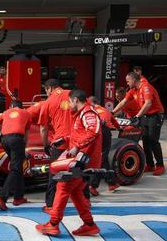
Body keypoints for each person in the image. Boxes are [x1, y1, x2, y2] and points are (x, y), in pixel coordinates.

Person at [36, 89, 101, 236]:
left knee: (63, 187)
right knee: (76, 191)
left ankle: (53, 224)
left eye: (70, 102)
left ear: (76, 100)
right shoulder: (81, 114)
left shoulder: (88, 113)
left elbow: (93, 132)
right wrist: (65, 139)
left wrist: (77, 147)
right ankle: (89, 224)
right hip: (83, 160)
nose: (69, 105)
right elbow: (79, 134)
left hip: (83, 160)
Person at [113, 72, 165, 176]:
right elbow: (124, 101)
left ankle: (160, 165)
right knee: (145, 140)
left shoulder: (145, 87)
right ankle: (150, 165)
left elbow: (148, 103)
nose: (127, 84)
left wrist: (137, 116)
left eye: (128, 81)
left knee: (153, 140)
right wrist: (112, 113)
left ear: (133, 80)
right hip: (146, 116)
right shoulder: (133, 90)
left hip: (155, 115)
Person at [0, 100, 31, 210]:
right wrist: (24, 149)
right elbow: (26, 135)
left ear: (11, 106)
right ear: (21, 107)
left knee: (17, 168)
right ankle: (2, 198)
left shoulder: (5, 112)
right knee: (16, 168)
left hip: (4, 140)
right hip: (17, 140)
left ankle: (18, 197)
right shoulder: (27, 113)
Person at [38, 79, 73, 213]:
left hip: (60, 143)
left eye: (45, 91)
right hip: (76, 141)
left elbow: (43, 128)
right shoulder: (72, 95)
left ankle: (50, 204)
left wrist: (45, 145)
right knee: (79, 173)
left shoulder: (47, 102)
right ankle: (85, 201)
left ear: (49, 89)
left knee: (54, 173)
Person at [88, 96, 121, 195]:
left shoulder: (90, 111)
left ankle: (98, 184)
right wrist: (120, 129)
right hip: (105, 132)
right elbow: (114, 122)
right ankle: (108, 183)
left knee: (101, 159)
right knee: (103, 158)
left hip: (94, 132)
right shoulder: (105, 110)